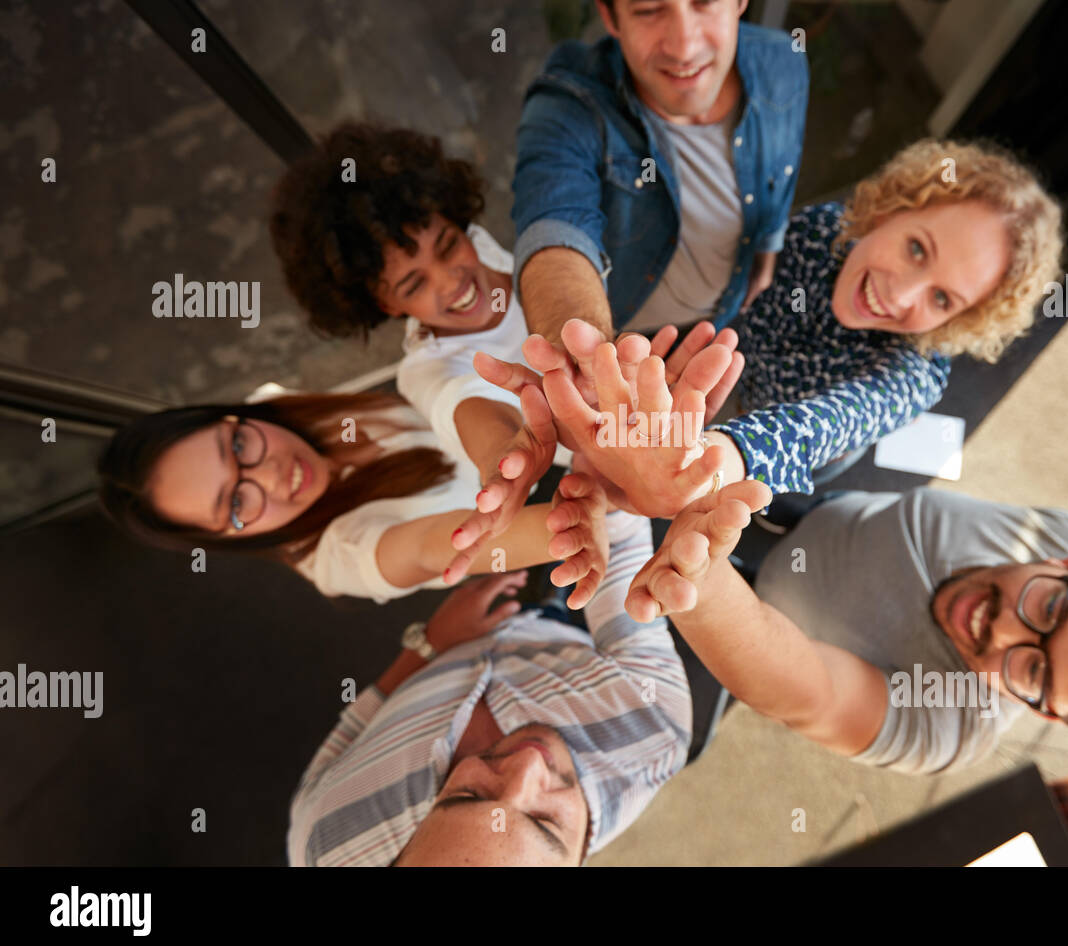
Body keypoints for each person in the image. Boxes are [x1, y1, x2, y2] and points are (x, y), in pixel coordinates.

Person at [496, 139, 1063, 511]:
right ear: (893, 210)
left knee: (787, 489)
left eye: (942, 298)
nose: (901, 295)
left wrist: (711, 464)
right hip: (722, 369)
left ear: (960, 320)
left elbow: (815, 428)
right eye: (917, 248)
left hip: (768, 434)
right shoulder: (823, 230)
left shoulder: (911, 378)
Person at [268, 121, 741, 543]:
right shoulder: (426, 371)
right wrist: (505, 459)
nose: (451, 281)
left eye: (448, 245)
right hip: (609, 463)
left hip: (643, 373)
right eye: (413, 284)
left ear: (459, 221)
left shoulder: (482, 245)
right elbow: (470, 413)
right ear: (384, 305)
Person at [286, 473, 771, 865]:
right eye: (545, 823)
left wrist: (427, 646)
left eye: (465, 796)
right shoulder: (650, 728)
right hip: (584, 636)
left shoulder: (325, 841)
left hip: (462, 634)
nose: (528, 764)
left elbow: (349, 730)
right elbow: (618, 529)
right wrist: (612, 478)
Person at [630, 483, 1068, 773]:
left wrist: (701, 582)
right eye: (1048, 608)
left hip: (759, 611)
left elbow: (810, 693)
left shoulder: (949, 731)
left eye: (1034, 671)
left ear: (1045, 713)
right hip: (834, 516)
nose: (1001, 631)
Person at [96, 388, 605, 603]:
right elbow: (428, 547)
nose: (271, 475)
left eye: (237, 446)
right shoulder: (341, 555)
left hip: (523, 428)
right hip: (554, 511)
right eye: (235, 504)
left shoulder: (278, 406)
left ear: (234, 416)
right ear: (227, 538)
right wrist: (584, 515)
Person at [511, 0, 808, 351]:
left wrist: (767, 251)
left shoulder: (783, 61)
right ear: (610, 17)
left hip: (727, 313)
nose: (684, 48)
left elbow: (783, 170)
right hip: (627, 339)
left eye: (706, 2)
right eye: (649, 10)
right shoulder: (570, 104)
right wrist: (588, 355)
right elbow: (554, 229)